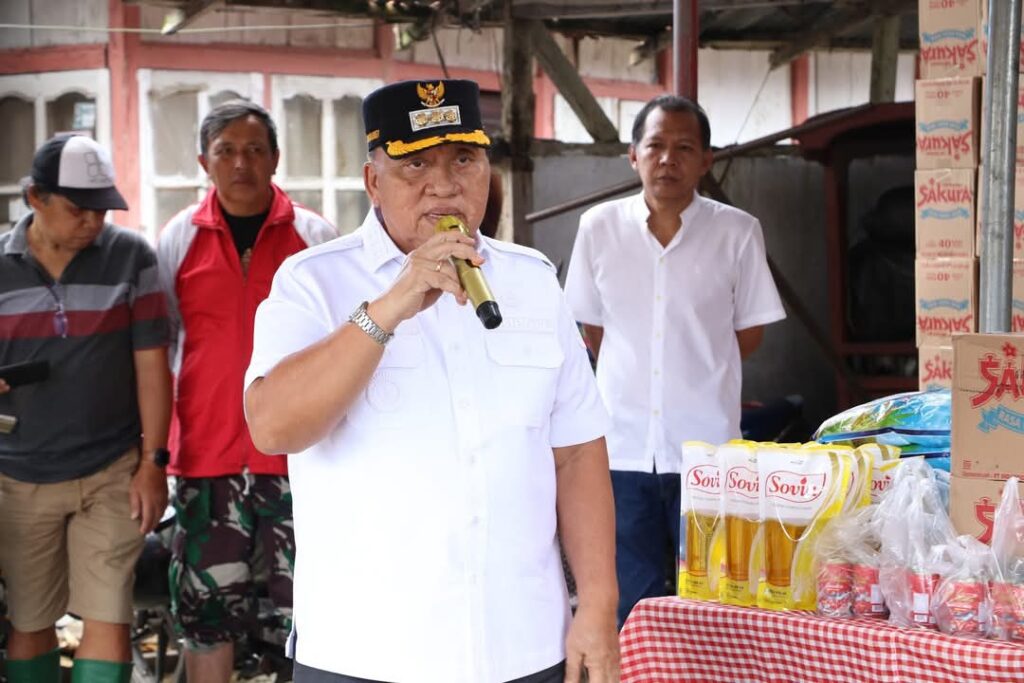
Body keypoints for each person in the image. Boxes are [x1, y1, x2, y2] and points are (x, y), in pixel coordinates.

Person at [243, 79, 619, 683]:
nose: (444, 185)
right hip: (367, 654)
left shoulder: (531, 280)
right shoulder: (312, 282)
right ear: (373, 182)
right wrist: (389, 308)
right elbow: (272, 427)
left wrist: (598, 605)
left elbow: (576, 451)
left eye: (463, 160)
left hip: (521, 646)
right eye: (415, 164)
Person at [563, 95, 786, 627]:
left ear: (707, 160)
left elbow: (748, 332)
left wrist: (697, 367)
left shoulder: (737, 232)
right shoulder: (599, 228)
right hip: (619, 447)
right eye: (655, 145)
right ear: (632, 156)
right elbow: (590, 328)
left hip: (707, 450)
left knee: (713, 604)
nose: (668, 159)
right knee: (626, 603)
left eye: (684, 148)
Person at [156, 100, 336, 682]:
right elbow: (163, 346)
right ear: (203, 161)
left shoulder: (314, 236)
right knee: (206, 615)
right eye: (226, 151)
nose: (241, 163)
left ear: (275, 159)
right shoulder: (178, 238)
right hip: (206, 459)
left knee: (311, 613)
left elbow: (342, 347)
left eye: (255, 150)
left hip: (300, 458)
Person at [0, 134, 172, 683]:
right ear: (35, 198)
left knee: (110, 616)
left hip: (112, 470)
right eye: (78, 209)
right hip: (19, 473)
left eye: (102, 209)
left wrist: (154, 463)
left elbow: (152, 365)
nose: (93, 222)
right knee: (29, 620)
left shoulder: (132, 257)